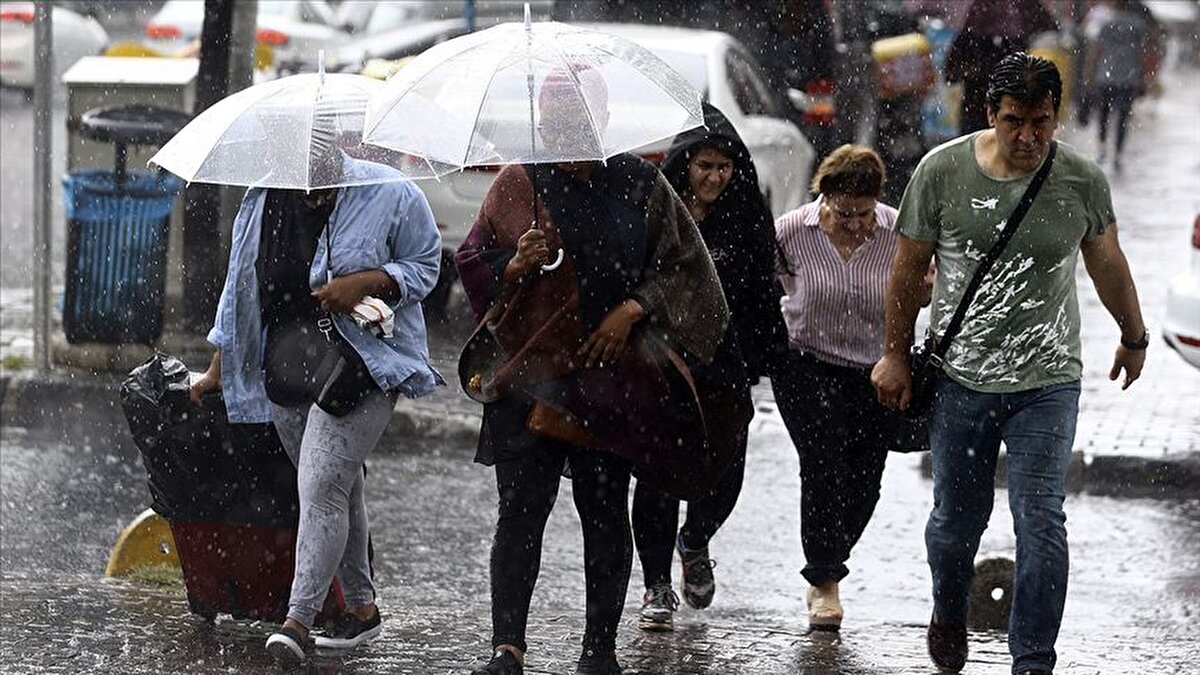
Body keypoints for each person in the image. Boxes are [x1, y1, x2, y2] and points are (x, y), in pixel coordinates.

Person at [871, 52, 1147, 674]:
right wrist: (893, 354)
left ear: (1057, 116)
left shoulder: (1079, 178)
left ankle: (1033, 660)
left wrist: (1134, 335)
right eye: (1014, 120)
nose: (1028, 137)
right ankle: (947, 610)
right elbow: (906, 270)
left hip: (1047, 382)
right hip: (961, 382)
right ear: (990, 113)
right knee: (953, 525)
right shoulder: (941, 172)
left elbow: (1108, 262)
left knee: (1041, 519)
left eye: (1042, 122)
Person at [455, 67, 730, 675]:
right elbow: (472, 263)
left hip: (611, 381)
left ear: (602, 119)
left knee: (605, 514)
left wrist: (632, 310)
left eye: (580, 117)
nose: (569, 130)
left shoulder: (641, 184)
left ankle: (598, 651)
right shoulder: (515, 185)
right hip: (527, 378)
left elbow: (688, 272)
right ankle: (508, 648)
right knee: (521, 512)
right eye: (556, 119)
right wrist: (513, 265)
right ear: (543, 122)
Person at [188, 155, 444, 667]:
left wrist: (371, 280)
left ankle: (297, 622)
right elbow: (239, 288)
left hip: (365, 363)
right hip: (287, 369)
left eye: (320, 158)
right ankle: (363, 609)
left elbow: (427, 266)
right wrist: (220, 366)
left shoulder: (389, 192)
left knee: (322, 485)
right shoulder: (262, 197)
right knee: (339, 487)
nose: (310, 173)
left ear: (338, 148)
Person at [631, 103, 788, 631]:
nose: (715, 177)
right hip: (660, 363)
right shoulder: (657, 212)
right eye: (704, 166)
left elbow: (762, 291)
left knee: (726, 469)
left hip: (725, 364)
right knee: (656, 478)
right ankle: (656, 585)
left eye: (724, 167)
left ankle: (694, 541)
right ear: (684, 166)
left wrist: (767, 353)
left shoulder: (744, 213)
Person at [773, 144, 924, 632]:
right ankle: (823, 582)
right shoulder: (792, 231)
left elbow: (926, 285)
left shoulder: (899, 230)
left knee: (864, 479)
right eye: (843, 213)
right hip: (805, 364)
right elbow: (765, 289)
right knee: (820, 462)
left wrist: (921, 292)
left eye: (862, 213)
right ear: (825, 198)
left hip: (873, 368)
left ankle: (830, 557)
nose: (854, 223)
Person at [1084, 0, 1150, 170]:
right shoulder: (1138, 25)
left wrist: (1089, 74)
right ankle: (1118, 153)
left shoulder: (1105, 23)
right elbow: (1142, 54)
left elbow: (1096, 50)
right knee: (1122, 117)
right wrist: (1143, 77)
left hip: (1106, 76)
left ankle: (1102, 146)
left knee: (1104, 114)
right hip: (1128, 77)